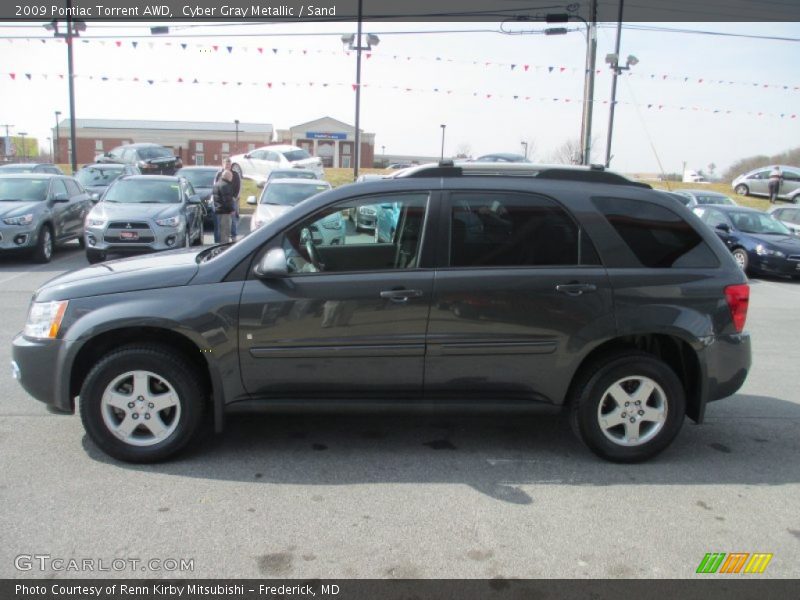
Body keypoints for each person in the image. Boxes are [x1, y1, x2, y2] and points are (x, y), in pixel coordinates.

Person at [213, 158, 241, 242]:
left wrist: (234, 197)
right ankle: (220, 241)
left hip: (232, 199)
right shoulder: (219, 174)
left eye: (229, 164)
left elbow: (239, 187)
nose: (227, 166)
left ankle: (233, 236)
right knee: (221, 224)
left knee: (233, 220)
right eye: (226, 164)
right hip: (223, 202)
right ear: (223, 164)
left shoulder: (235, 174)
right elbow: (216, 186)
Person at [213, 167, 236, 244]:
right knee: (225, 233)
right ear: (227, 176)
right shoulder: (225, 185)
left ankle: (219, 246)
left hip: (218, 210)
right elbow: (227, 200)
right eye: (231, 176)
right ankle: (224, 250)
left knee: (219, 231)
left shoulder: (217, 184)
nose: (232, 178)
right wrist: (232, 209)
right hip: (225, 212)